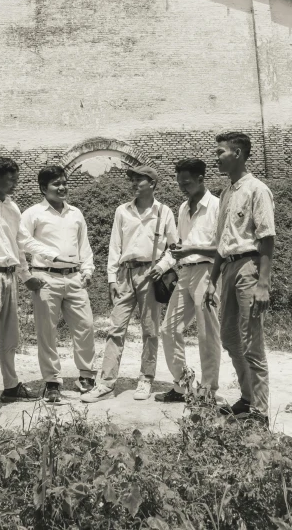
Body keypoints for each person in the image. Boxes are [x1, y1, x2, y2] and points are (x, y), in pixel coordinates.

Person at [0, 157, 76, 421]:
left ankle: (10, 387)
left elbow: (21, 243)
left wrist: (47, 259)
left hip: (9, 277)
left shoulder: (12, 206)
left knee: (10, 337)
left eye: (17, 180)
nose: (15, 185)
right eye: (11, 180)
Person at [82, 165, 177, 404]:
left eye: (139, 180)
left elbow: (174, 249)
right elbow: (115, 246)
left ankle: (146, 378)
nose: (134, 183)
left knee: (150, 330)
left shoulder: (164, 212)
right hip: (125, 273)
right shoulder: (122, 211)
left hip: (151, 274)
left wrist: (162, 267)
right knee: (115, 329)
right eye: (132, 180)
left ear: (152, 183)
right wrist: (112, 278)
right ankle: (106, 383)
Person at [204, 132, 275, 427]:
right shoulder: (226, 193)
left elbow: (267, 239)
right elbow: (223, 241)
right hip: (229, 269)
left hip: (249, 267)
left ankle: (259, 410)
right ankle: (246, 399)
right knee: (231, 339)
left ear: (238, 153)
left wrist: (263, 284)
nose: (216, 157)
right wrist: (212, 279)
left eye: (220, 151)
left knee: (251, 342)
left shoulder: (257, 189)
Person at [21, 166, 97, 403]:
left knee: (85, 326)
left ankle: (86, 375)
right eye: (56, 184)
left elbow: (84, 244)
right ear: (44, 188)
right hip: (46, 278)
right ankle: (52, 381)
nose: (62, 187)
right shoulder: (33, 214)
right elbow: (21, 243)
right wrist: (27, 275)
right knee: (47, 331)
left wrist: (88, 269)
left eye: (65, 183)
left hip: (74, 278)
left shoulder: (75, 213)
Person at [154, 158, 222, 404]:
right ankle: (183, 386)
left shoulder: (217, 206)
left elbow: (223, 248)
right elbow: (180, 246)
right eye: (179, 182)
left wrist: (192, 248)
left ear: (201, 179)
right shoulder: (183, 208)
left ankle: (208, 391)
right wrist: (163, 265)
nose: (182, 187)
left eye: (187, 182)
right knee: (169, 329)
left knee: (207, 334)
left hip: (209, 272)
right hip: (185, 272)